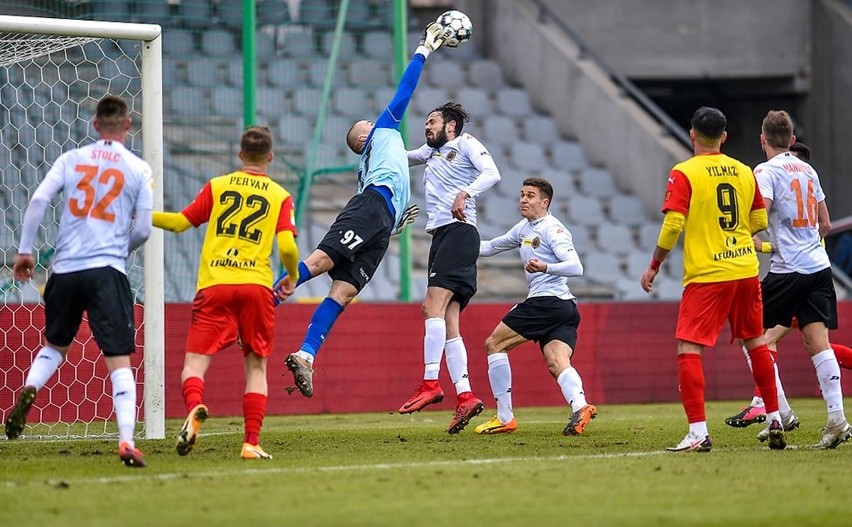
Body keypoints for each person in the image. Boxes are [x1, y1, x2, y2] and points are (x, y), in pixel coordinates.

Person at [272, 23, 452, 404]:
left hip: (380, 218)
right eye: (367, 124)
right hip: (370, 207)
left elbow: (411, 163)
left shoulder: (382, 153)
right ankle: (264, 302)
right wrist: (423, 49)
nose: (375, 120)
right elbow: (406, 89)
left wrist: (393, 217)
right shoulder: (384, 132)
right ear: (364, 138)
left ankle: (306, 354)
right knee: (320, 262)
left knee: (345, 291)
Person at [4, 95, 153, 467]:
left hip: (65, 269)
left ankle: (30, 388)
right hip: (107, 270)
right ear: (128, 125)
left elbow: (38, 199)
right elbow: (145, 229)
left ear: (95, 125)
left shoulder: (71, 159)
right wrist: (121, 246)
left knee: (55, 346)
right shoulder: (138, 169)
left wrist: (25, 252)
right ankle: (126, 441)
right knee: (118, 359)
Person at [640, 106, 787, 452]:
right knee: (755, 341)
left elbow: (674, 224)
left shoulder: (684, 172)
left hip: (708, 274)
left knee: (688, 348)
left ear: (692, 134)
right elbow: (758, 220)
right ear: (724, 136)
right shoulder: (744, 171)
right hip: (746, 269)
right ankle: (775, 417)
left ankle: (697, 432)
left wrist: (654, 265)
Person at [153, 126, 299, 460]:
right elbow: (288, 246)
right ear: (270, 158)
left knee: (193, 364)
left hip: (214, 284)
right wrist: (290, 276)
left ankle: (194, 408)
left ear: (240, 155)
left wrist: (140, 216)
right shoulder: (279, 195)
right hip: (256, 286)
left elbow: (178, 223)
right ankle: (250, 443)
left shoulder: (218, 186)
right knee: (256, 368)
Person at [724, 112, 850, 449]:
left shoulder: (765, 171)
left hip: (788, 269)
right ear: (792, 140)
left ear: (762, 139)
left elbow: (759, 213)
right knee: (816, 342)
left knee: (748, 335)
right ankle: (836, 418)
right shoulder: (809, 170)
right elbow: (824, 224)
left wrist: (745, 233)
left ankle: (780, 409)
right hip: (819, 268)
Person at [398, 101, 501, 434]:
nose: (426, 127)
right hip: (444, 236)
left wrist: (465, 193)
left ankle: (430, 382)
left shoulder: (465, 143)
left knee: (432, 306)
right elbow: (401, 157)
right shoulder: (429, 154)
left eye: (432, 122)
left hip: (459, 232)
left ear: (451, 126)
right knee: (450, 319)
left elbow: (493, 173)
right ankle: (466, 395)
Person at [474, 177, 596, 436]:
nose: (523, 200)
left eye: (529, 196)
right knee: (557, 361)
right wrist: (458, 241)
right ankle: (581, 406)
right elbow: (492, 246)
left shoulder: (553, 229)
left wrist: (546, 267)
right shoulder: (523, 228)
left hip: (547, 302)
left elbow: (576, 266)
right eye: (521, 195)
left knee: (494, 344)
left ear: (545, 202)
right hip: (564, 308)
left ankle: (505, 417)